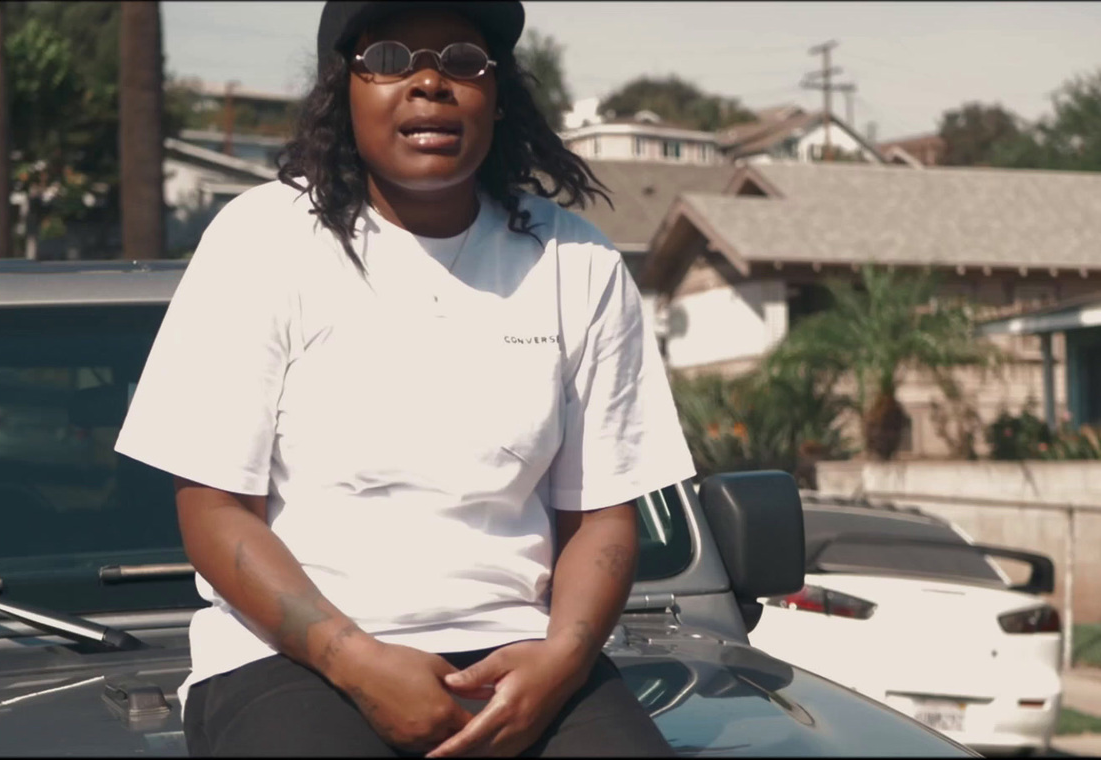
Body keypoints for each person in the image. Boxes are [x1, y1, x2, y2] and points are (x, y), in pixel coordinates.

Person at [112, 1, 694, 756]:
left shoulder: (576, 263)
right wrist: (355, 661)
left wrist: (561, 660)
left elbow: (601, 516)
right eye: (389, 58)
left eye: (461, 60)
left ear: (498, 91)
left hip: (519, 653)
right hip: (290, 658)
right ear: (343, 89)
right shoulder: (260, 240)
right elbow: (215, 511)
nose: (429, 83)